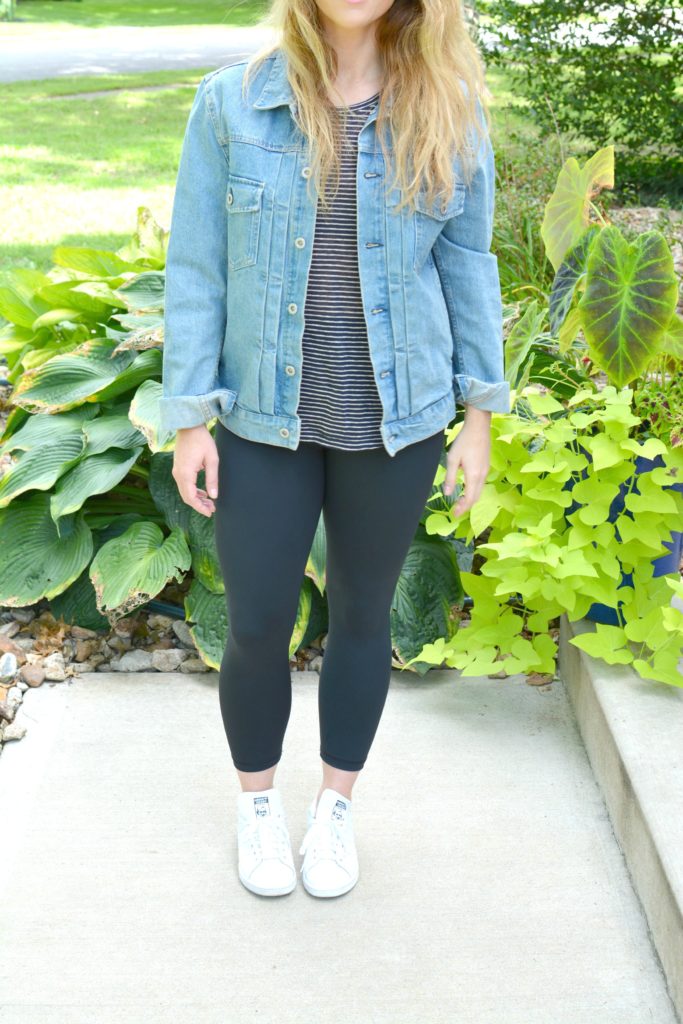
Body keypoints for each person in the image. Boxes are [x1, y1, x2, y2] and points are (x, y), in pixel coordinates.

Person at [160, 0, 509, 899]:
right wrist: (189, 417)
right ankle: (259, 807)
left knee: (362, 619)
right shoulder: (230, 103)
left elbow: (468, 266)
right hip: (264, 421)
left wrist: (478, 415)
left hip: (398, 423)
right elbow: (196, 270)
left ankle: (336, 811)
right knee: (255, 625)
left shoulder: (449, 107)